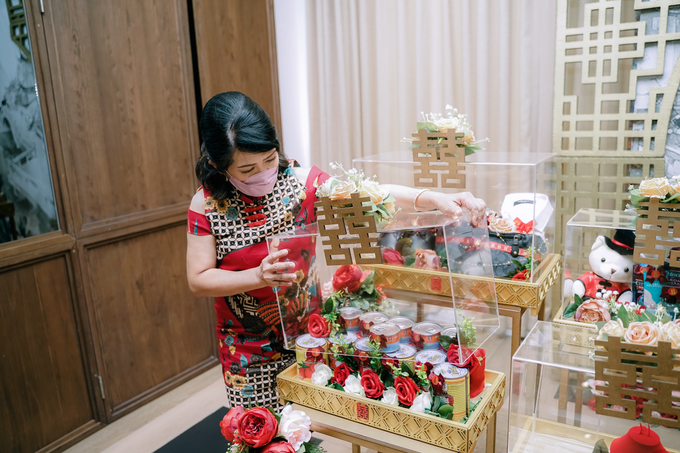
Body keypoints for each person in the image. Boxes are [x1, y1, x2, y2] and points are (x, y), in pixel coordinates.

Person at [186, 91, 486, 409]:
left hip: (311, 330)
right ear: (218, 164)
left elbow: (372, 194)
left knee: (305, 422)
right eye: (247, 170)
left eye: (270, 159)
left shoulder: (302, 184)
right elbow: (198, 279)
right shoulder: (205, 204)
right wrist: (258, 275)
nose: (263, 174)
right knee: (261, 429)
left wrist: (436, 197)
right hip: (247, 344)